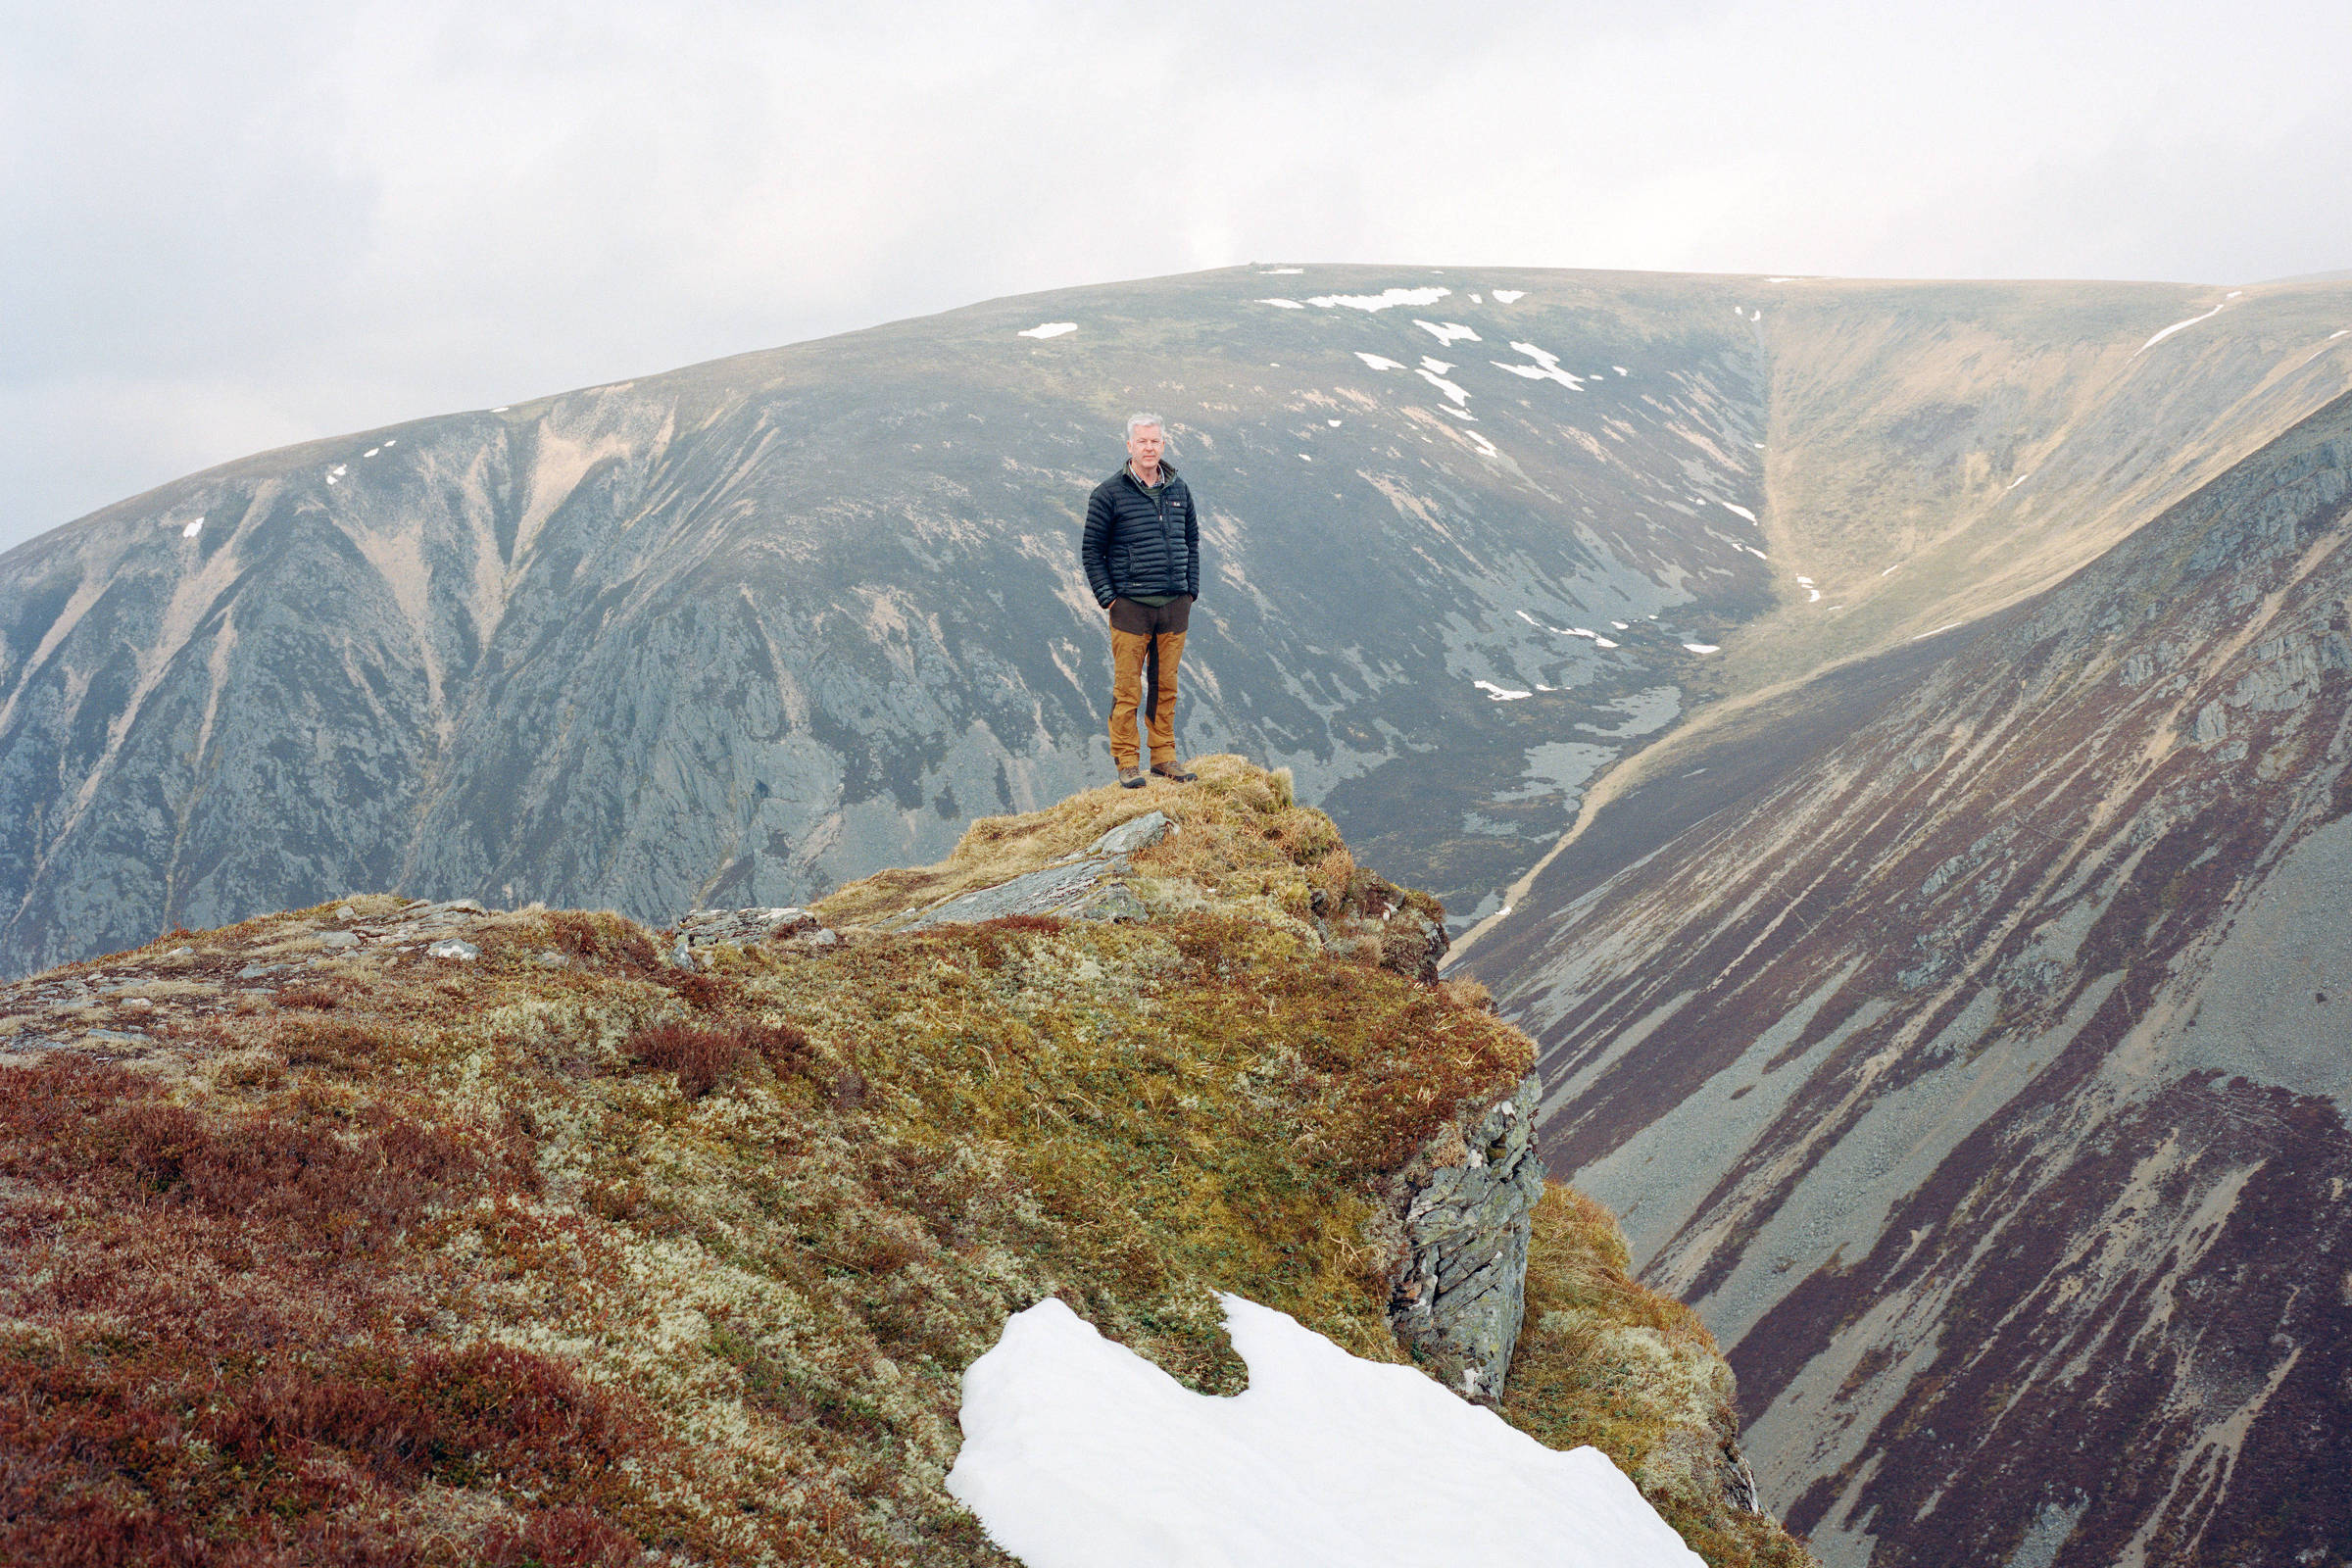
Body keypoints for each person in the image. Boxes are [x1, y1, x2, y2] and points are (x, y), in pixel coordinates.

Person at [1082, 414, 1200, 787]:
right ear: (1129, 446)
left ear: (1162, 445)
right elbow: (1091, 552)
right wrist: (1109, 599)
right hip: (1130, 607)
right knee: (1127, 688)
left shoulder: (1179, 490)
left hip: (1173, 606)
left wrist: (1189, 589)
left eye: (1155, 441)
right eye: (1142, 441)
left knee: (1166, 685)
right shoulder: (1108, 493)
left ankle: (1164, 757)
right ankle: (1127, 761)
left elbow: (1192, 541)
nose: (1149, 448)